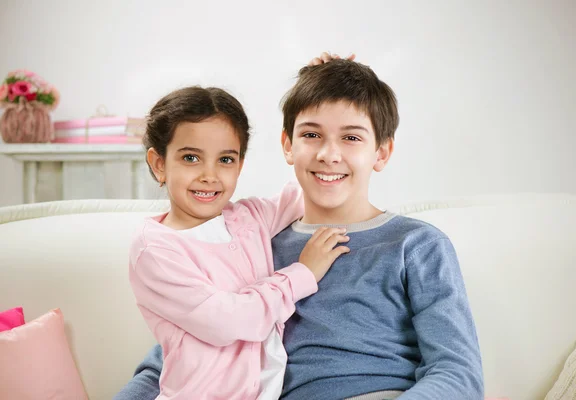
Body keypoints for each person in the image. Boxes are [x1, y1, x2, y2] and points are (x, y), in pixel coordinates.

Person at [116, 54, 484, 400]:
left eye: (351, 137)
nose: (328, 154)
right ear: (288, 145)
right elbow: (180, 354)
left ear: (382, 152)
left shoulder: (417, 245)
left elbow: (457, 373)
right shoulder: (256, 244)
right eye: (311, 134)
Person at [128, 85, 351, 399]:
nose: (210, 174)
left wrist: (318, 93)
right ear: (159, 163)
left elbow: (314, 184)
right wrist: (302, 274)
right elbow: (227, 322)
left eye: (226, 160)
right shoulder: (155, 250)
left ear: (240, 165)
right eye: (191, 157)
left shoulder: (249, 218)